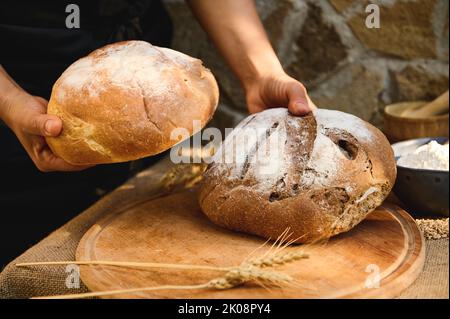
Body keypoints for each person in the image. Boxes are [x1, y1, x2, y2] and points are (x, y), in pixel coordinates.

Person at [0, 0, 315, 268]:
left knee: (146, 258)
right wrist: (11, 103)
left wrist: (259, 73)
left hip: (155, 85)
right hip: (26, 122)